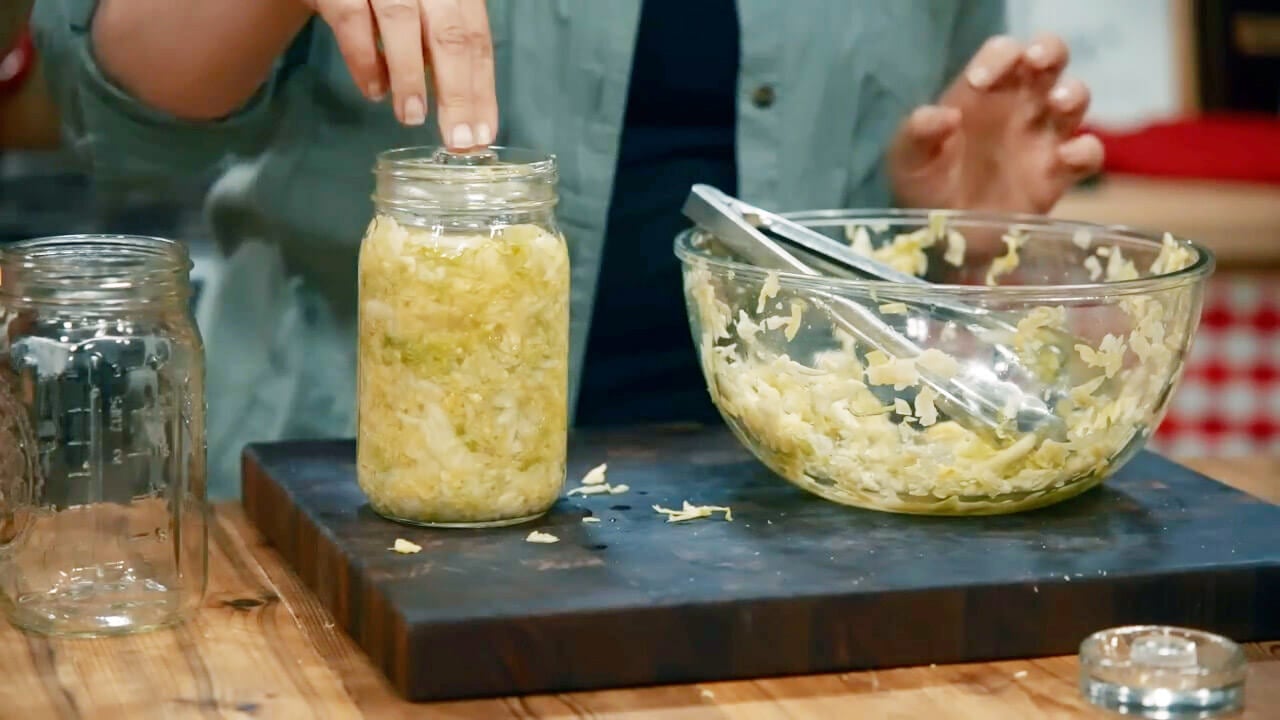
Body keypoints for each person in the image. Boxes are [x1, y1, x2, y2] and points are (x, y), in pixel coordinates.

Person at [30, 0, 1102, 499]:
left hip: (792, 516)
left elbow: (917, 250)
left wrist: (940, 232)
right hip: (334, 488)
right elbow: (108, 112)